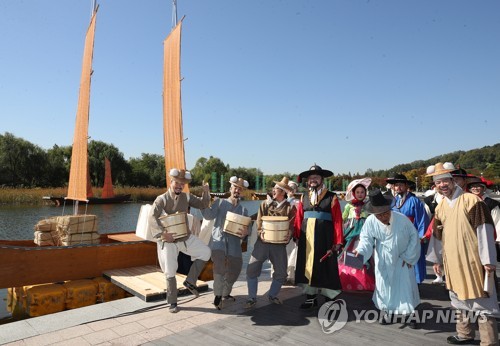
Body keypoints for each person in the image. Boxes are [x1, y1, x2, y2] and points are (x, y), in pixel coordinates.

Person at [426, 163, 499, 346]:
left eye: (445, 181)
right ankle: (465, 333)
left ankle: (488, 341)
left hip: (473, 260)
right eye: (438, 182)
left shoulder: (472, 200)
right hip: (452, 261)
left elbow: (485, 230)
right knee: (457, 297)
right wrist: (437, 259)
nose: (442, 185)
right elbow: (437, 235)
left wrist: (488, 260)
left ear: (454, 181)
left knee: (482, 299)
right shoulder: (441, 206)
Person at [353, 189, 421, 328]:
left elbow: (414, 237)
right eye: (379, 215)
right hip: (383, 258)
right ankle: (389, 312)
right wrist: (360, 252)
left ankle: (409, 315)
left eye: (385, 213)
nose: (383, 217)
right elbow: (366, 241)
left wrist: (409, 257)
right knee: (385, 286)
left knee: (404, 286)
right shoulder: (371, 221)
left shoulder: (402, 219)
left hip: (402, 258)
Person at [151, 168, 211, 313]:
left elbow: (203, 204)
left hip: (185, 237)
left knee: (206, 252)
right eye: (177, 183)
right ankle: (172, 302)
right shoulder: (161, 199)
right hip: (169, 240)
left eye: (182, 184)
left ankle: (190, 281)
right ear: (171, 182)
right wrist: (163, 235)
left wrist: (206, 191)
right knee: (170, 271)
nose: (179, 186)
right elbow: (152, 217)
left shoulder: (187, 197)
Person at [293, 165, 344, 308]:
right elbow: (299, 217)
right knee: (308, 266)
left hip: (325, 238)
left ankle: (329, 298)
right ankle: (311, 297)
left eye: (316, 177)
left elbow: (338, 219)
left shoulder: (331, 196)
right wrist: (296, 234)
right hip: (307, 238)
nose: (313, 180)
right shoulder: (304, 196)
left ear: (322, 179)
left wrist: (338, 240)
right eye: (310, 178)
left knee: (326, 265)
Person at [245, 177, 296, 308]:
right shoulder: (265, 204)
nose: (273, 190)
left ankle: (272, 295)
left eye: (276, 189)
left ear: (283, 192)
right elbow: (259, 221)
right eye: (273, 188)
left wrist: (289, 235)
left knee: (281, 272)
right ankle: (251, 298)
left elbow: (292, 225)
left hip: (279, 245)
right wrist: (260, 231)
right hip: (262, 243)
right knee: (252, 268)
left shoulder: (290, 208)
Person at [200, 176, 250, 310]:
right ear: (230, 188)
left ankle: (225, 293)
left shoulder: (244, 210)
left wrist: (246, 233)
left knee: (236, 268)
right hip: (218, 241)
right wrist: (205, 195)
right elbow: (208, 216)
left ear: (242, 192)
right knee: (220, 267)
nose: (237, 190)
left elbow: (247, 230)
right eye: (235, 187)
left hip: (234, 244)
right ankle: (217, 295)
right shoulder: (220, 203)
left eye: (240, 189)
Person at [386, 173, 429, 284]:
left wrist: (420, 236)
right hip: (397, 235)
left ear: (406, 186)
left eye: (401, 185)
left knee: (412, 259)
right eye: (396, 185)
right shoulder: (393, 201)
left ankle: (415, 283)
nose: (398, 187)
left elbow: (422, 220)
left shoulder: (415, 201)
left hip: (411, 235)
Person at [338, 177, 375, 291]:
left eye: (362, 192)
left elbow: (372, 218)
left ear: (365, 193)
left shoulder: (367, 206)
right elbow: (342, 218)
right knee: (349, 254)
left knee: (363, 254)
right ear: (353, 193)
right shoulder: (349, 206)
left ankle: (364, 280)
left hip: (364, 232)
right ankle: (350, 279)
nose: (360, 194)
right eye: (357, 192)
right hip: (351, 232)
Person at [467, 176, 500, 262]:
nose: (475, 188)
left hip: (487, 236)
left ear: (483, 188)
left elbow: (496, 221)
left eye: (478, 186)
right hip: (470, 236)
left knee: (487, 262)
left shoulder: (492, 203)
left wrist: (495, 239)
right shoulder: (466, 201)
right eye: (473, 186)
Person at [284, 180, 300, 285]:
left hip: (295, 231)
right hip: (284, 231)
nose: (291, 190)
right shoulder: (283, 202)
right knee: (284, 254)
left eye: (293, 188)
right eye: (289, 188)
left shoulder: (299, 202)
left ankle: (293, 277)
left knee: (294, 254)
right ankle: (282, 276)